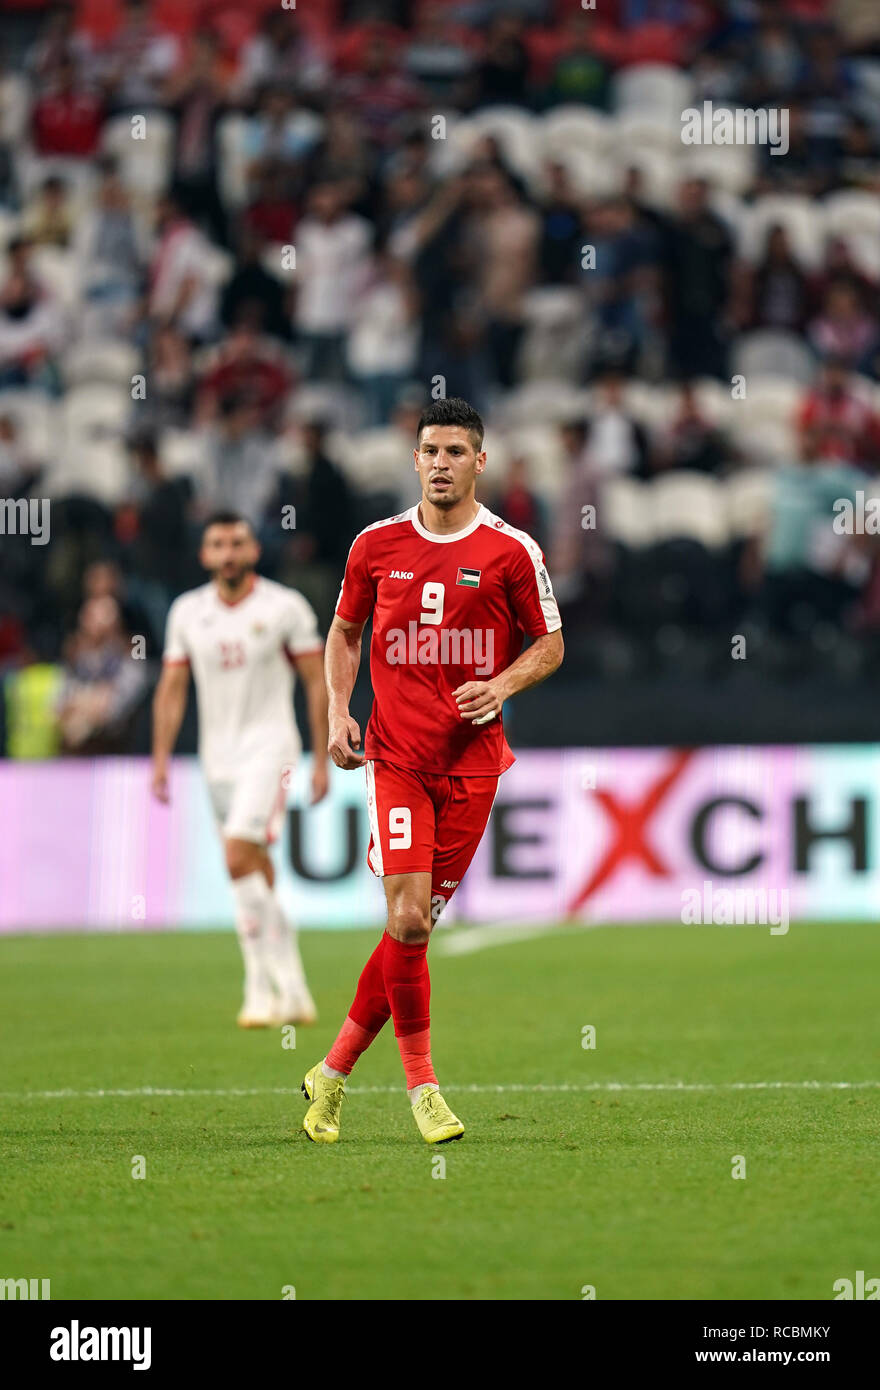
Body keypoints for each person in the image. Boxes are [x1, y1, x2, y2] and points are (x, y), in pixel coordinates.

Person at [301, 397, 563, 1145]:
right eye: (431, 451)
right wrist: (336, 712)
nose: (442, 463)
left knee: (405, 932)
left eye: (457, 451)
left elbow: (551, 644)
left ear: (481, 462)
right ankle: (424, 1090)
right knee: (410, 919)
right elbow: (344, 630)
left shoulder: (514, 551)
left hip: (475, 768)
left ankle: (330, 1074)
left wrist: (503, 684)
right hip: (398, 759)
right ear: (414, 460)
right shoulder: (375, 546)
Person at [151, 513, 329, 1029]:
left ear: (253, 550)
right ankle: (293, 989)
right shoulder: (187, 612)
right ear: (205, 555)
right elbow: (172, 688)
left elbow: (317, 682)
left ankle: (258, 987)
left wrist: (321, 756)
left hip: (269, 749)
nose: (228, 552)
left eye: (237, 542)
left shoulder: (283, 607)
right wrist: (161, 758)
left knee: (236, 855)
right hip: (216, 759)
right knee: (251, 866)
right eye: (217, 544)